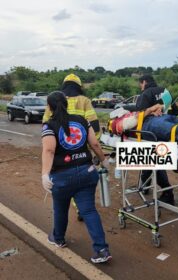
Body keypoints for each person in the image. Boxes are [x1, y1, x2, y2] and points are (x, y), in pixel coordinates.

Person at [41, 91, 112, 264]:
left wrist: (44, 174)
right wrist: (103, 160)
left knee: (60, 208)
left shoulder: (49, 125)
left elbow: (49, 150)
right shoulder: (81, 120)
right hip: (87, 173)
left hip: (62, 177)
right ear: (66, 104)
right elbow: (94, 143)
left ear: (49, 107)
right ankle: (101, 249)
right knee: (89, 210)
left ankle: (58, 238)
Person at [43, 73, 100, 221]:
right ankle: (82, 208)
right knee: (82, 179)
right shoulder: (84, 100)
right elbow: (94, 125)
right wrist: (90, 146)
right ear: (79, 86)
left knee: (65, 178)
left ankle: (62, 225)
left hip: (60, 149)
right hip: (81, 148)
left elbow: (46, 125)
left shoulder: (55, 100)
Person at [135, 75, 178, 205]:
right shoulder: (165, 91)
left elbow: (139, 115)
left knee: (154, 161)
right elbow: (175, 111)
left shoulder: (145, 93)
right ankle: (145, 183)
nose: (140, 87)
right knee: (150, 161)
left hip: (152, 133)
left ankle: (167, 192)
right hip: (167, 129)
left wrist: (153, 112)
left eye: (140, 84)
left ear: (144, 82)